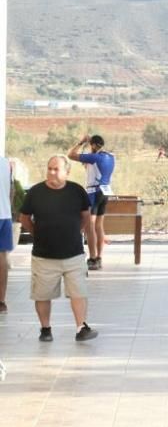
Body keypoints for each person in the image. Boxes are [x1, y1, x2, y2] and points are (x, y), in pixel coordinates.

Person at [19, 156, 98, 342]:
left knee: (78, 292)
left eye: (56, 169)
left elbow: (85, 216)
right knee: (42, 294)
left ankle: (81, 327)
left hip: (73, 254)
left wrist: (76, 231)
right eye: (49, 168)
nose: (51, 172)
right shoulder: (35, 192)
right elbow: (24, 218)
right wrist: (37, 233)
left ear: (67, 172)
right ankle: (45, 329)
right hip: (44, 256)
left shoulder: (76, 191)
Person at [67, 134, 115, 271]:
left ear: (93, 145)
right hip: (105, 192)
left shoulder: (93, 157)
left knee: (90, 226)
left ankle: (92, 258)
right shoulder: (110, 157)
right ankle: (99, 257)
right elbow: (91, 168)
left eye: (90, 145)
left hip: (93, 192)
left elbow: (70, 155)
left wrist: (81, 142)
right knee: (99, 226)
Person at [0, 157, 13, 314]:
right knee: (2, 257)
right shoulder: (5, 162)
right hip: (5, 216)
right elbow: (12, 191)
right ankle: (1, 301)